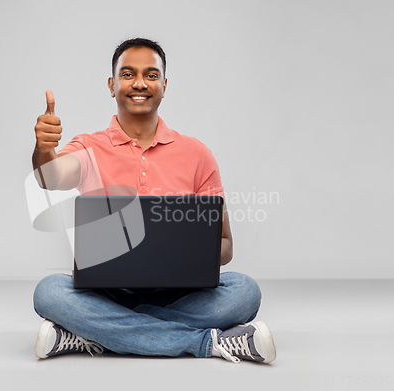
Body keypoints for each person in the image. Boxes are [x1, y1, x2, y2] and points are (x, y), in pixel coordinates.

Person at [31, 38, 276, 363]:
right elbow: (51, 177)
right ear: (112, 84)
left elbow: (226, 245)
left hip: (180, 293)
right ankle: (206, 343)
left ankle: (93, 333)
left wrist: (184, 259)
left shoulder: (197, 154)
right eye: (128, 74)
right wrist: (44, 150)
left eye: (151, 74)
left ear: (164, 84)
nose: (139, 83)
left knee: (244, 291)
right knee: (48, 292)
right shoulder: (88, 147)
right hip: (107, 293)